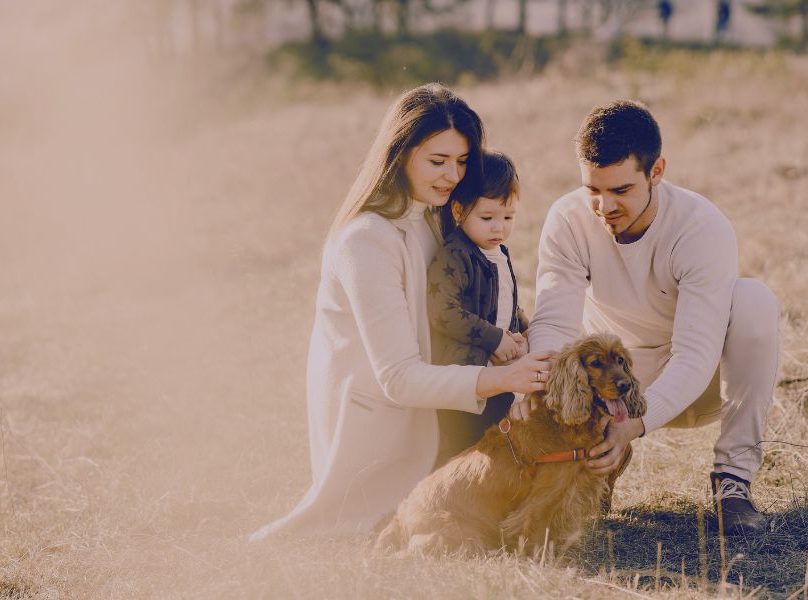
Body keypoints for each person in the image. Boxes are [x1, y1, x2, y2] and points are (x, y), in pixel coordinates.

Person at [249, 84, 553, 541]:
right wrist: (505, 379)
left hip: (444, 412)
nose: (452, 175)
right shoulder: (366, 239)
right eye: (437, 161)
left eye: (462, 161)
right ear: (400, 153)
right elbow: (398, 377)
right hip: (384, 434)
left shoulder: (435, 217)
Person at [521, 100, 780, 535]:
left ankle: (732, 482)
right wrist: (559, 402)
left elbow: (696, 354)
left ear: (656, 171)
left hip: (698, 382)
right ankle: (588, 465)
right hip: (610, 379)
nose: (604, 206)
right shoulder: (567, 219)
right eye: (593, 190)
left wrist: (634, 425)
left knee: (755, 300)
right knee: (536, 344)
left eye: (621, 190)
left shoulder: (700, 226)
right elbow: (554, 325)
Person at [427, 151, 529, 463]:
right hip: (464, 381)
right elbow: (443, 311)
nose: (499, 228)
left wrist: (522, 329)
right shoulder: (455, 255)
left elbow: (503, 302)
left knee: (499, 442)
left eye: (508, 217)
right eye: (487, 218)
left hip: (499, 379)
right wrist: (495, 338)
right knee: (462, 450)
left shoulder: (499, 251)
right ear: (459, 210)